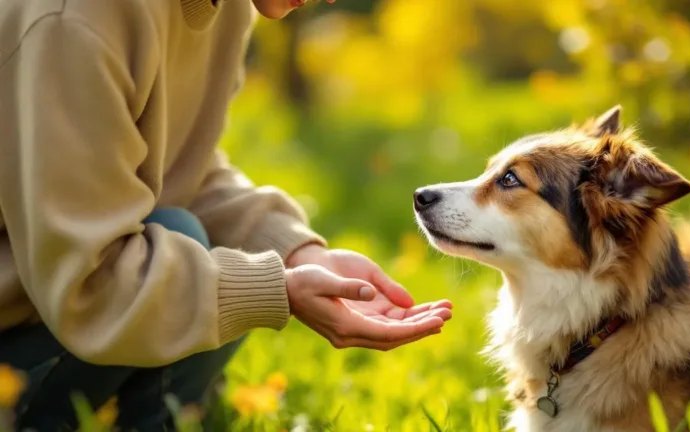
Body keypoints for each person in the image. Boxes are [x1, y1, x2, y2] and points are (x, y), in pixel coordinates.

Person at [0, 0, 453, 430]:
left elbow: (178, 169)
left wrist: (298, 253)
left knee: (192, 234)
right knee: (183, 234)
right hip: (25, 335)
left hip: (53, 312)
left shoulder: (228, 9)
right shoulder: (74, 23)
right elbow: (91, 283)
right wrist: (274, 289)